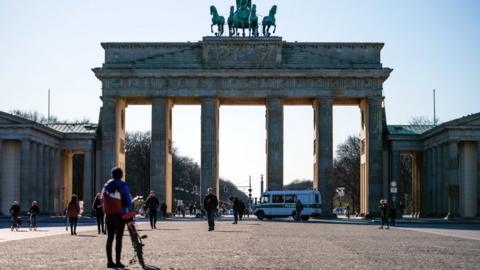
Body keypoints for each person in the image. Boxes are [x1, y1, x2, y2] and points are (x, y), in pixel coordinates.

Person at [102, 167, 132, 268]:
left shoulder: (106, 185)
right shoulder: (122, 185)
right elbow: (127, 199)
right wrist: (128, 206)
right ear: (121, 175)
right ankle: (118, 261)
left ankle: (109, 261)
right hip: (120, 214)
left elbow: (102, 199)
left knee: (109, 238)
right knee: (118, 238)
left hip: (109, 214)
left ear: (112, 175)